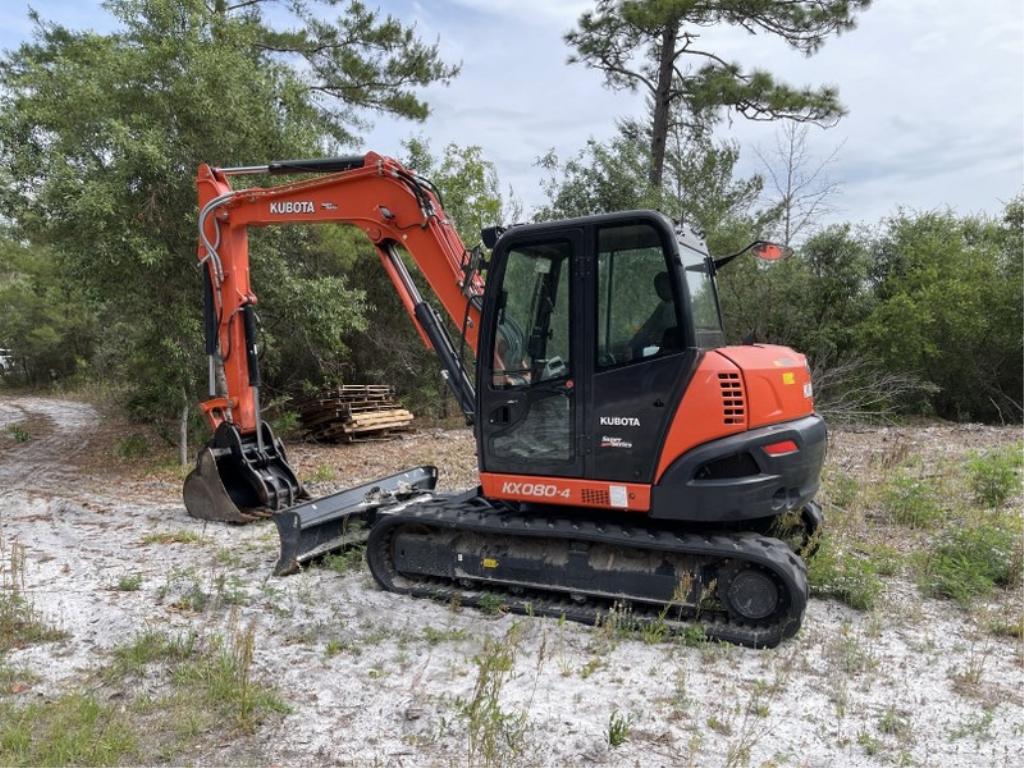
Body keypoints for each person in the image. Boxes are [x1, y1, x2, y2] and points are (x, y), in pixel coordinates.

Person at [629, 271, 678, 359]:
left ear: (671, 285)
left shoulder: (670, 306)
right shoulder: (663, 306)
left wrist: (632, 346)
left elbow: (647, 329)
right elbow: (648, 327)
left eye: (663, 289)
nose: (659, 293)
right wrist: (632, 345)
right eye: (657, 289)